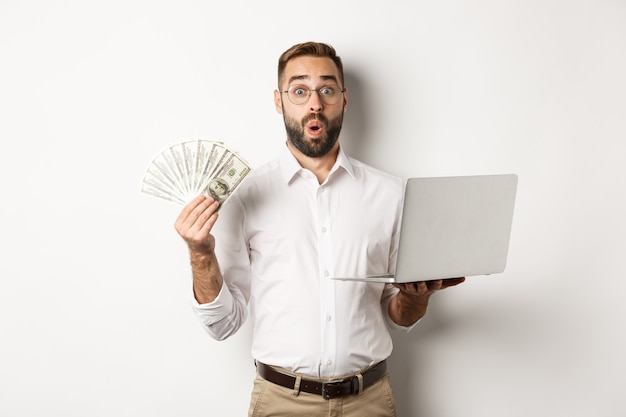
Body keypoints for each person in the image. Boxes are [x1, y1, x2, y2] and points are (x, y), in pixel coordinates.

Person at [174, 41, 465, 417]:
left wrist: (416, 297)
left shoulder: (390, 194)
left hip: (370, 402)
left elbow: (400, 315)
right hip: (280, 403)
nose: (314, 103)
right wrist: (200, 254)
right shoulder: (244, 196)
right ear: (279, 101)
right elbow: (223, 325)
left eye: (326, 90)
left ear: (343, 99)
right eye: (300, 91)